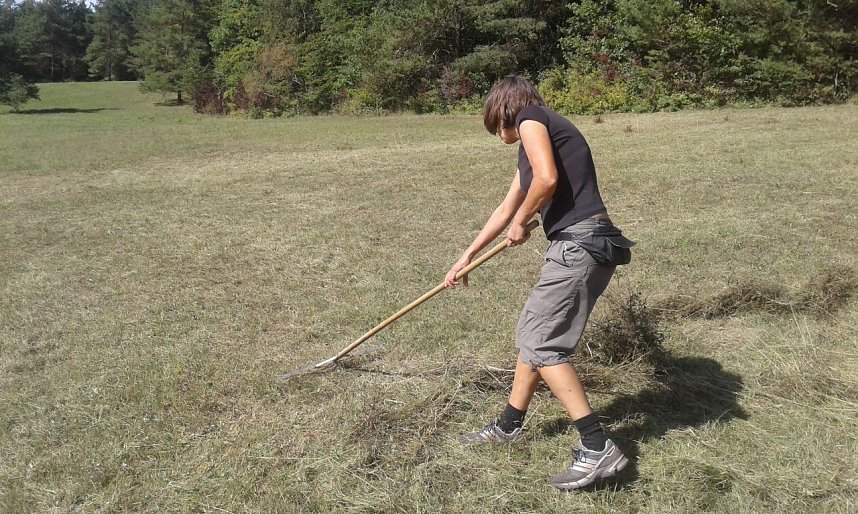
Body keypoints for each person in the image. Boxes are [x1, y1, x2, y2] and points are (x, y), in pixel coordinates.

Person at [444, 75, 635, 490]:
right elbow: (507, 206)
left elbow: (547, 181)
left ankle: (597, 445)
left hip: (578, 249)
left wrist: (520, 223)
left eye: (496, 123)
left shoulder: (531, 118)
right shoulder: (536, 140)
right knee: (533, 336)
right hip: (584, 246)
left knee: (543, 344)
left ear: (506, 110)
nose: (497, 133)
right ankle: (508, 426)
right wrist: (468, 255)